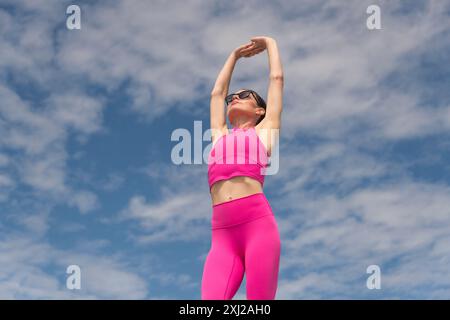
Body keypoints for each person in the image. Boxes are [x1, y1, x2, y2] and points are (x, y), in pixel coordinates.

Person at [201, 36, 284, 300]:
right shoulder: (220, 135)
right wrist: (234, 56)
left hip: (258, 228)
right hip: (221, 236)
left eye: (244, 95)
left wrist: (270, 44)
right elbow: (216, 94)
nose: (234, 97)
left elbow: (277, 79)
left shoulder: (265, 131)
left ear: (260, 110)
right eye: (232, 97)